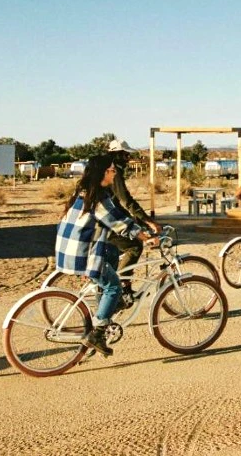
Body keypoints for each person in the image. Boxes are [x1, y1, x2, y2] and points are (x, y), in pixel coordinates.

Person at [55, 154, 158, 356]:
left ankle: (108, 303)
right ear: (103, 173)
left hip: (69, 249)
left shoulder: (85, 191)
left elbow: (118, 217)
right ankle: (98, 333)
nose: (115, 172)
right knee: (113, 286)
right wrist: (147, 238)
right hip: (82, 254)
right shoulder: (99, 199)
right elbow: (119, 221)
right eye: (111, 170)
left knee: (111, 251)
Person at [106, 139, 163, 304]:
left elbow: (119, 204)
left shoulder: (108, 169)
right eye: (124, 154)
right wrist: (148, 221)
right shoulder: (112, 171)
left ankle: (119, 286)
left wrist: (139, 222)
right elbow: (126, 201)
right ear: (116, 155)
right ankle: (123, 287)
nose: (127, 158)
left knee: (116, 251)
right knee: (134, 246)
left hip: (106, 217)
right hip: (105, 220)